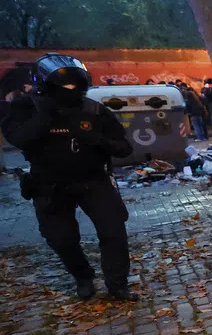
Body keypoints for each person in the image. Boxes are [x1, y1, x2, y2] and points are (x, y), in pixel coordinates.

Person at [0, 54, 137, 301]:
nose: (70, 92)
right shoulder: (25, 108)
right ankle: (83, 276)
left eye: (75, 86)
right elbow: (18, 138)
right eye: (64, 87)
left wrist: (100, 142)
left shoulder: (94, 110)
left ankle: (117, 284)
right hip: (49, 185)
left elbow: (124, 147)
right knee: (61, 239)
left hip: (93, 180)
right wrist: (46, 118)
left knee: (113, 231)